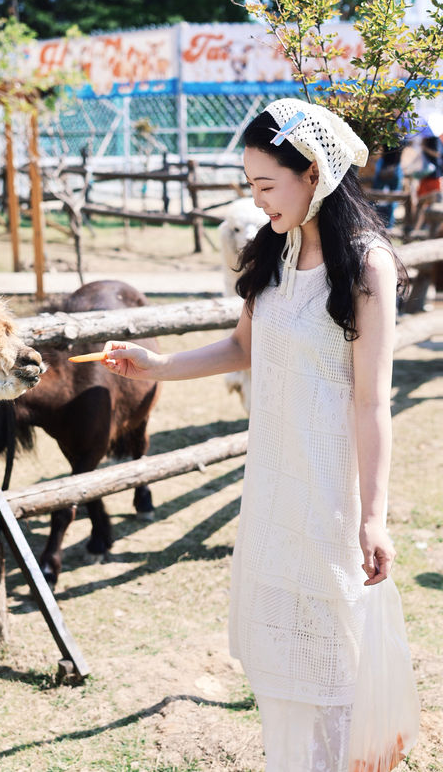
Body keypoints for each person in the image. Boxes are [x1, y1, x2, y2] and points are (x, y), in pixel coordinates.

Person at [100, 99, 412, 771]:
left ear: (313, 172)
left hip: (331, 495)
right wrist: (160, 365)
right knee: (283, 666)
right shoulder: (273, 251)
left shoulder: (366, 266)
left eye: (267, 186)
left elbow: (371, 401)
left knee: (336, 664)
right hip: (272, 489)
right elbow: (244, 347)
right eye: (250, 186)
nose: (258, 200)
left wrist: (374, 517)